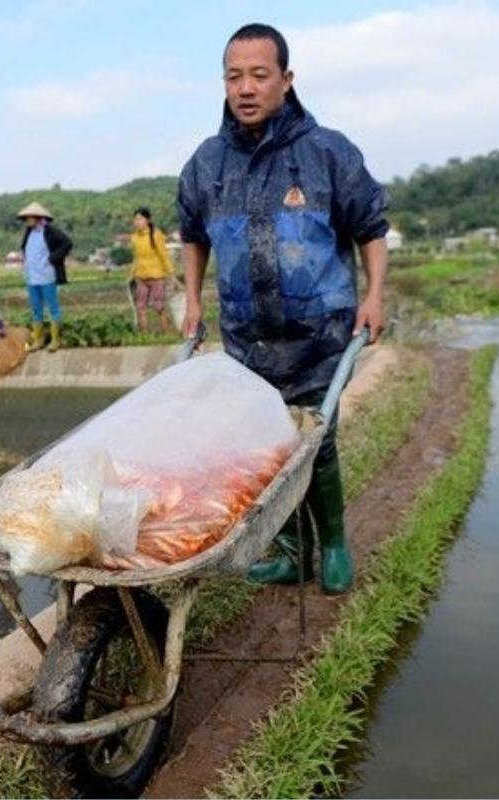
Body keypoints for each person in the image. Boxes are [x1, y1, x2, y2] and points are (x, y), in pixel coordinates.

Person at [176, 23, 390, 594]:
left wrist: (374, 295)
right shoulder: (207, 162)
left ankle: (336, 546)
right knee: (268, 449)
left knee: (315, 445)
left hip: (320, 333)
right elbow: (193, 234)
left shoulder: (327, 152)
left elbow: (371, 227)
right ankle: (292, 552)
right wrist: (194, 300)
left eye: (259, 75)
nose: (245, 87)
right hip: (248, 337)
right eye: (234, 76)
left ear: (287, 80)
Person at [17, 202, 72, 352]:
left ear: (37, 217)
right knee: (36, 309)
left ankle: (55, 340)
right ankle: (38, 340)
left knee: (53, 308)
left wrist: (52, 258)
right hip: (31, 277)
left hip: (47, 276)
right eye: (26, 218)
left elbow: (67, 243)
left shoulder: (49, 231)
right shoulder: (29, 232)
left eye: (29, 218)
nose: (27, 221)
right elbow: (25, 249)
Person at [128, 207, 175, 334]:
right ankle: (144, 334)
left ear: (147, 220)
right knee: (140, 307)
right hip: (140, 277)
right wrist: (131, 274)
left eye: (140, 219)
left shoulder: (156, 235)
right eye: (135, 219)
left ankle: (166, 333)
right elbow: (136, 257)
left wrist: (170, 273)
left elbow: (163, 255)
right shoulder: (134, 238)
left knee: (159, 306)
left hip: (156, 276)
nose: (137, 222)